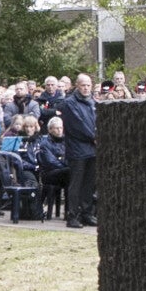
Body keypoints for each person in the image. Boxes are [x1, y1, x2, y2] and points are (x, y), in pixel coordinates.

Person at [58, 72, 99, 228]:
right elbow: (78, 125)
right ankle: (73, 216)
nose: (86, 88)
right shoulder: (70, 103)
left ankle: (87, 213)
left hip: (92, 149)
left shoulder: (93, 102)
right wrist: (93, 137)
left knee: (89, 184)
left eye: (88, 85)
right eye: (83, 85)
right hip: (77, 150)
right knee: (76, 184)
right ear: (77, 85)